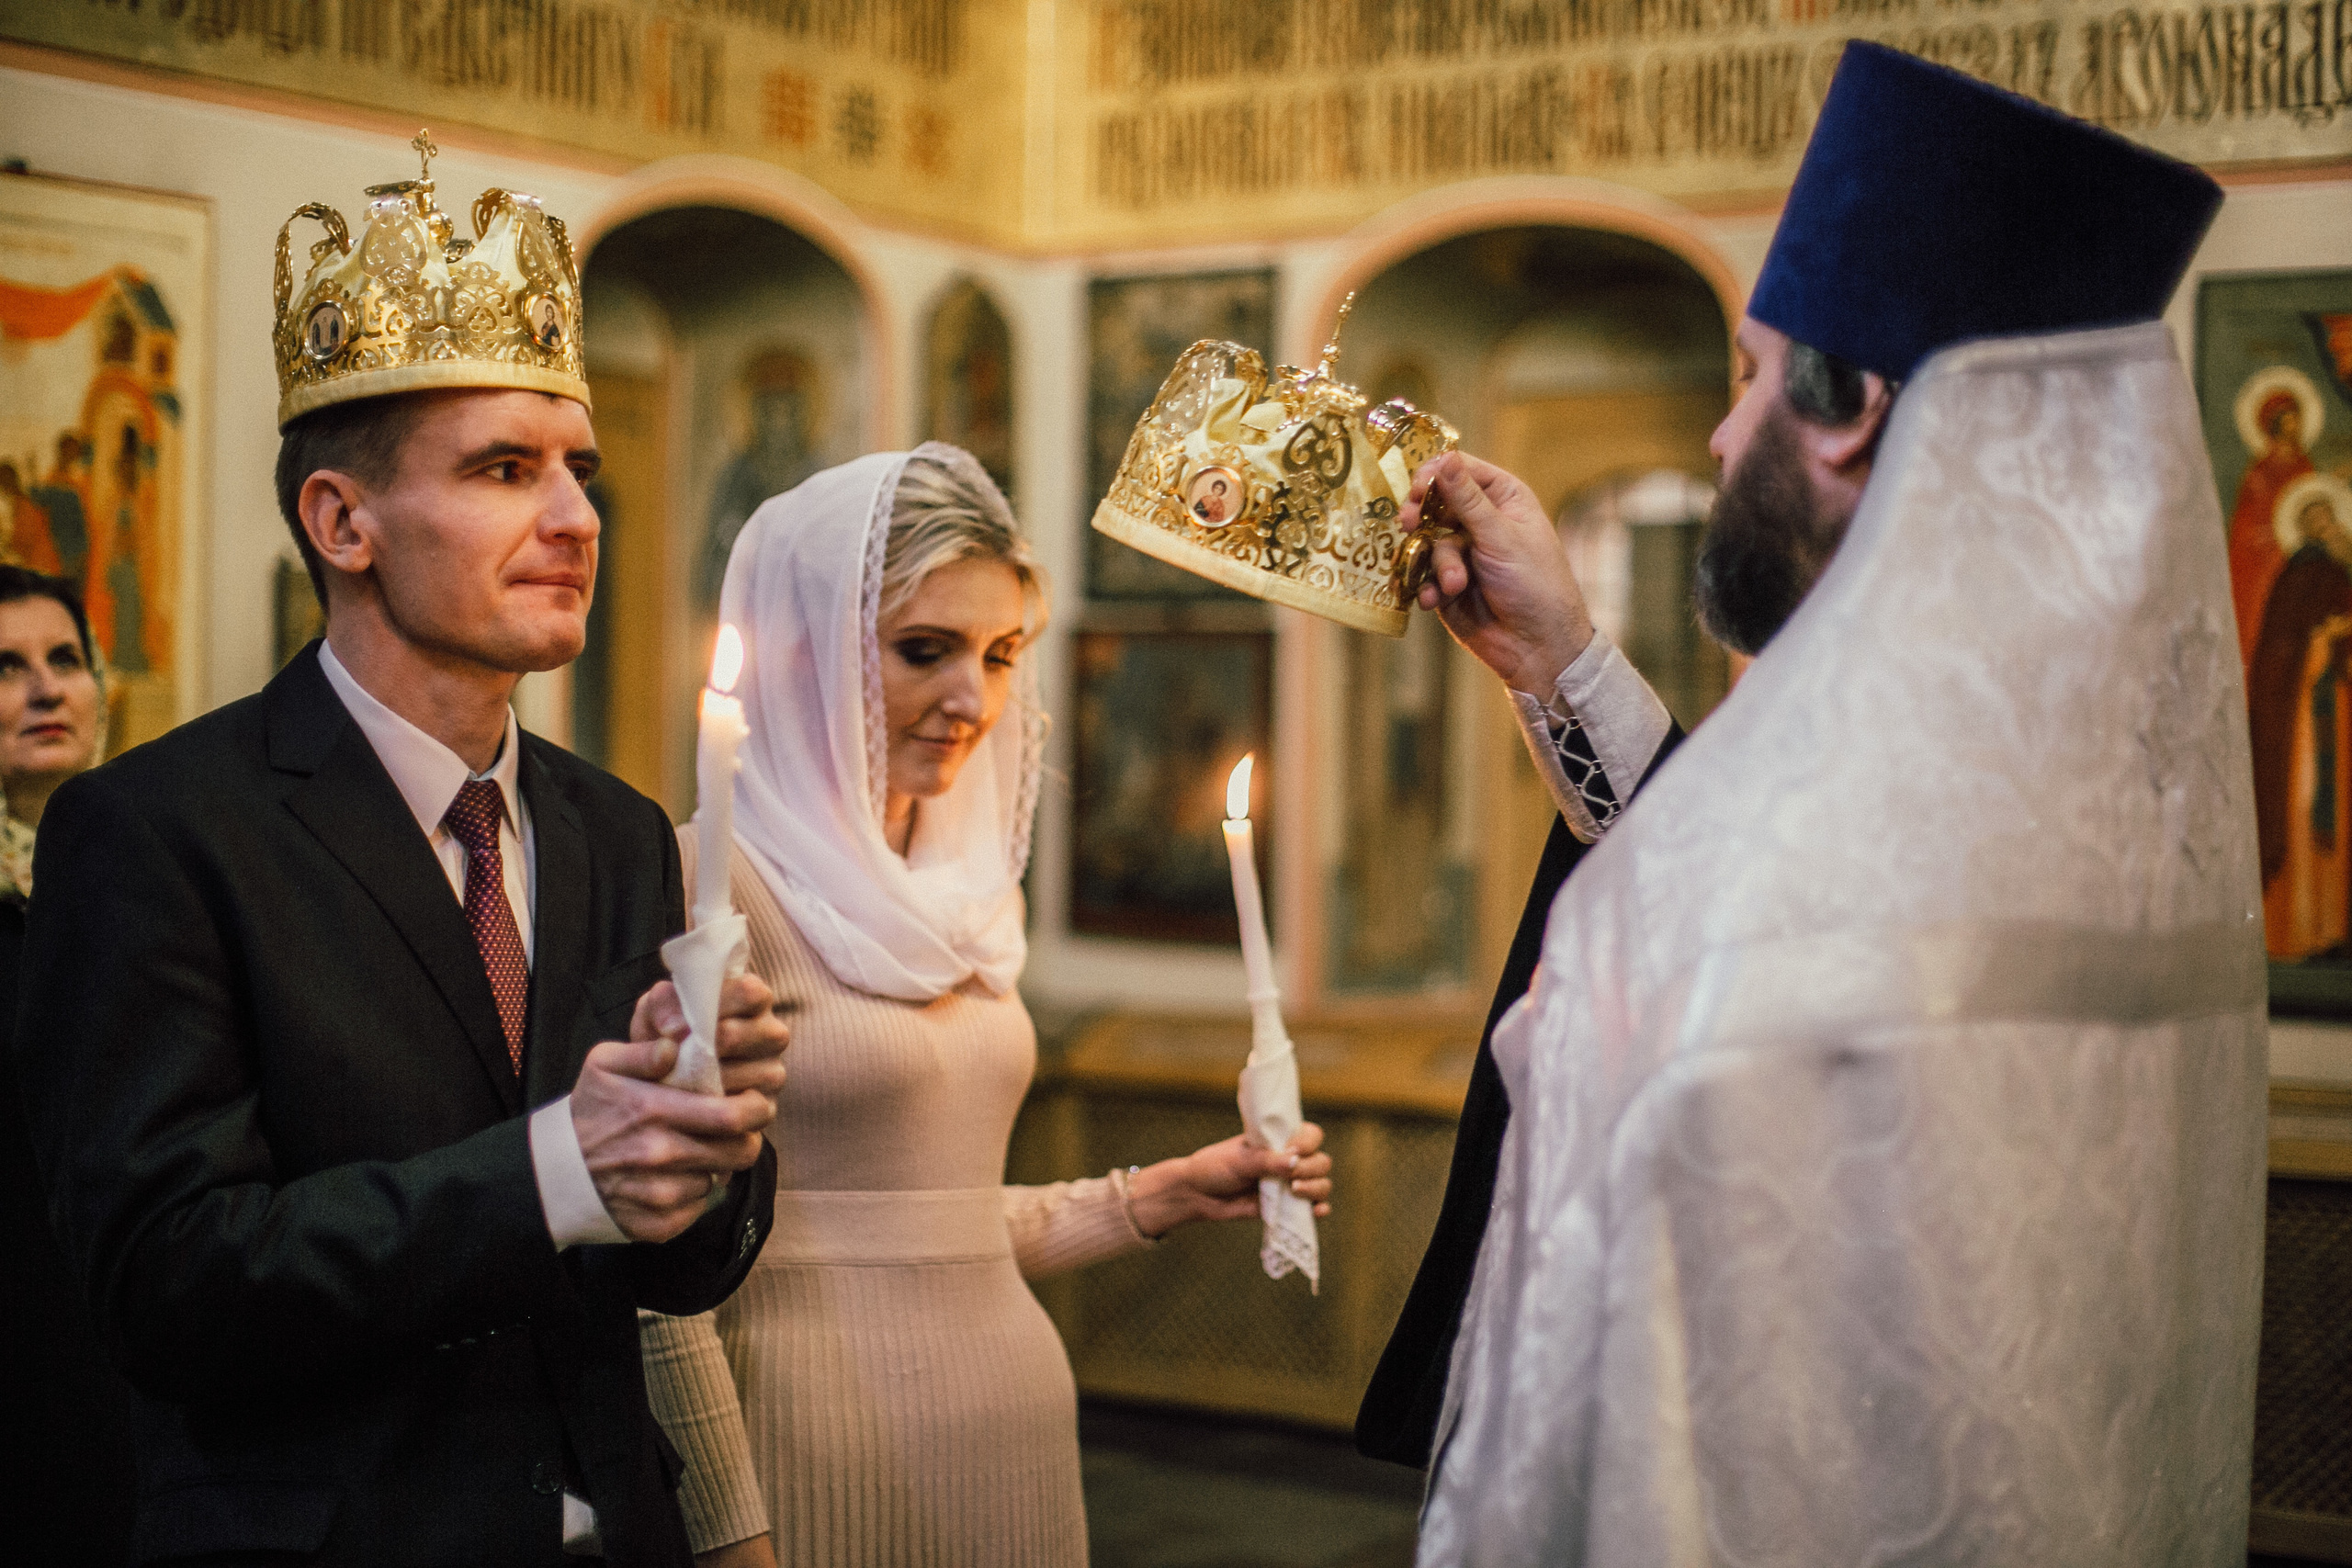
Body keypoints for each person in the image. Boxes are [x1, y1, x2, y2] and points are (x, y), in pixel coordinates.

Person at [1363, 43, 2261, 1565]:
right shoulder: (2084, 791)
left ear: (1846, 409)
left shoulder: (1808, 868)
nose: (1721, 439)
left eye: (1752, 378)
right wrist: (1561, 662)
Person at [14, 152, 787, 1565]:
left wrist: (708, 1135)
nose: (576, 518)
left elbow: (672, 1267)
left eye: (580, 469)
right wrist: (558, 1164)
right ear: (342, 520)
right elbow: (163, 1284)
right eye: (504, 468)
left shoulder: (615, 829)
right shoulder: (161, 830)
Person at [638, 443, 1336, 1568]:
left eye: (1002, 654)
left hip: (1011, 1433)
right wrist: (727, 1535)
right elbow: (653, 1279)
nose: (974, 700)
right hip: (806, 1442)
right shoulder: (706, 885)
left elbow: (934, 1227)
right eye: (925, 650)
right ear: (812, 651)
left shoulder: (964, 899)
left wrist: (1153, 1193)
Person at [0, 568, 136, 1567]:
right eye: (5, 668)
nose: (47, 690)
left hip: (143, 1333)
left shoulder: (159, 870)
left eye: (64, 661)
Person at [2249, 475, 2352, 956]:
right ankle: (2301, 930)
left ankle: (2334, 929)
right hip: (2308, 716)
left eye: (2328, 514)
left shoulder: (2341, 570)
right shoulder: (2297, 575)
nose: (2324, 524)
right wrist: (2324, 640)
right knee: (2307, 806)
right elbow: (2282, 649)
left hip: (2340, 708)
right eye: (2313, 518)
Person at [2227, 375, 2317, 667]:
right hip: (2265, 568)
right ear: (2275, 425)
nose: (2296, 425)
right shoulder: (2260, 473)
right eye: (2289, 420)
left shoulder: (2305, 465)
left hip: (2301, 561)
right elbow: (2245, 531)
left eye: (2297, 418)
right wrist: (2276, 538)